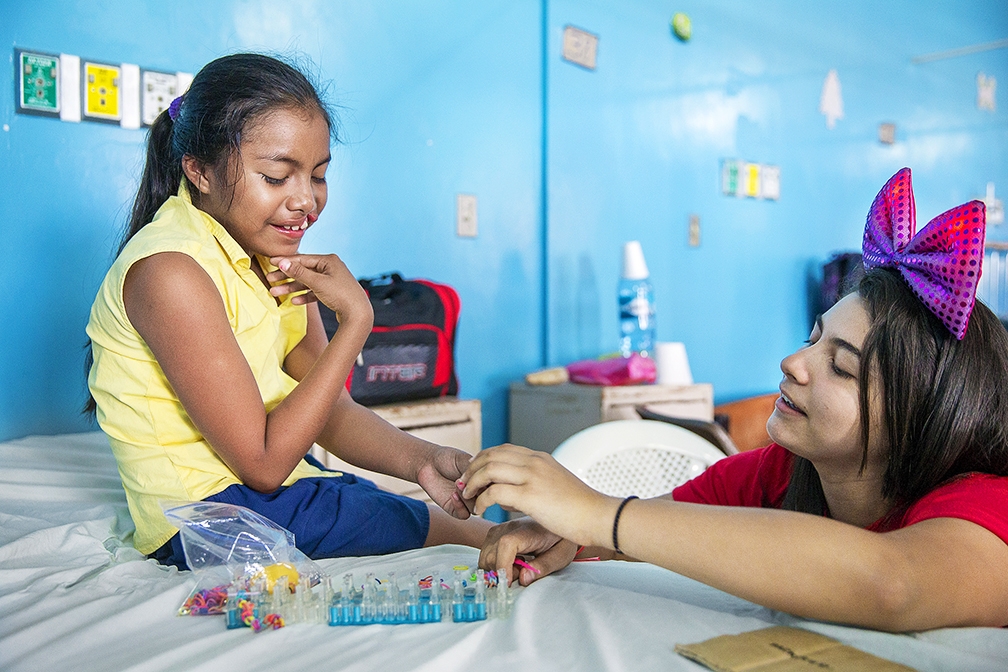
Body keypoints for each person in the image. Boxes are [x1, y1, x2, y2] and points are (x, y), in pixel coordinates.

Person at [461, 167, 1008, 632]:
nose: (793, 364)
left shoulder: (985, 504)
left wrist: (596, 513)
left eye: (841, 367)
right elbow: (655, 530)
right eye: (812, 339)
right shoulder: (783, 472)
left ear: (923, 414)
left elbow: (894, 585)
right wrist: (572, 537)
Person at [86, 53, 490, 569]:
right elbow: (263, 465)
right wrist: (356, 322)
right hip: (206, 521)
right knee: (450, 531)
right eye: (278, 176)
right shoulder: (171, 271)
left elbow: (332, 414)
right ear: (199, 170)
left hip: (265, 498)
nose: (307, 200)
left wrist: (422, 460)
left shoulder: (268, 260)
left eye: (318, 175)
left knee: (406, 510)